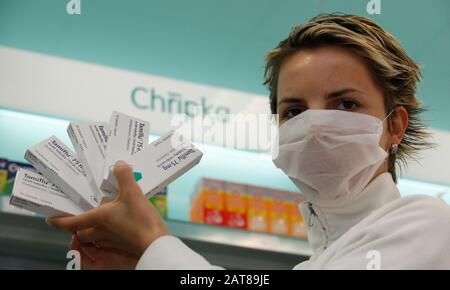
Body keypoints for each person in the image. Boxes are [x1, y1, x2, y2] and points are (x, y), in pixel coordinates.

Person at [48, 13, 450, 270]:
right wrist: (140, 260)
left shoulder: (429, 223)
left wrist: (155, 244)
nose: (314, 127)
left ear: (395, 126)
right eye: (294, 111)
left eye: (345, 103)